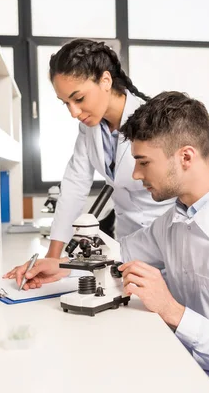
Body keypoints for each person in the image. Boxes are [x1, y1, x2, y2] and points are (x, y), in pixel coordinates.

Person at [6, 92, 209, 393]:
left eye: (143, 162)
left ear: (186, 157)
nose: (135, 175)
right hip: (190, 369)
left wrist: (172, 311)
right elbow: (119, 253)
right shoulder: (176, 219)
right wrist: (60, 266)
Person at [34, 39, 174, 264]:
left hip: (169, 238)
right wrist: (53, 257)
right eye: (66, 103)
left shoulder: (154, 120)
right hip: (127, 241)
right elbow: (74, 186)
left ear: (105, 80)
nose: (74, 112)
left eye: (79, 99)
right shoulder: (90, 127)